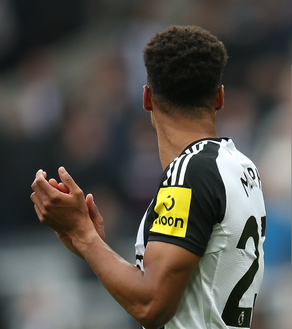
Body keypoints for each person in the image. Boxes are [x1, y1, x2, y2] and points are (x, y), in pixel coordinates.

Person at [30, 25, 266, 329]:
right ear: (219, 98)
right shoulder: (242, 166)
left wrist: (83, 236)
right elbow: (189, 289)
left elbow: (152, 304)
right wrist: (96, 248)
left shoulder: (189, 173)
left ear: (147, 98)